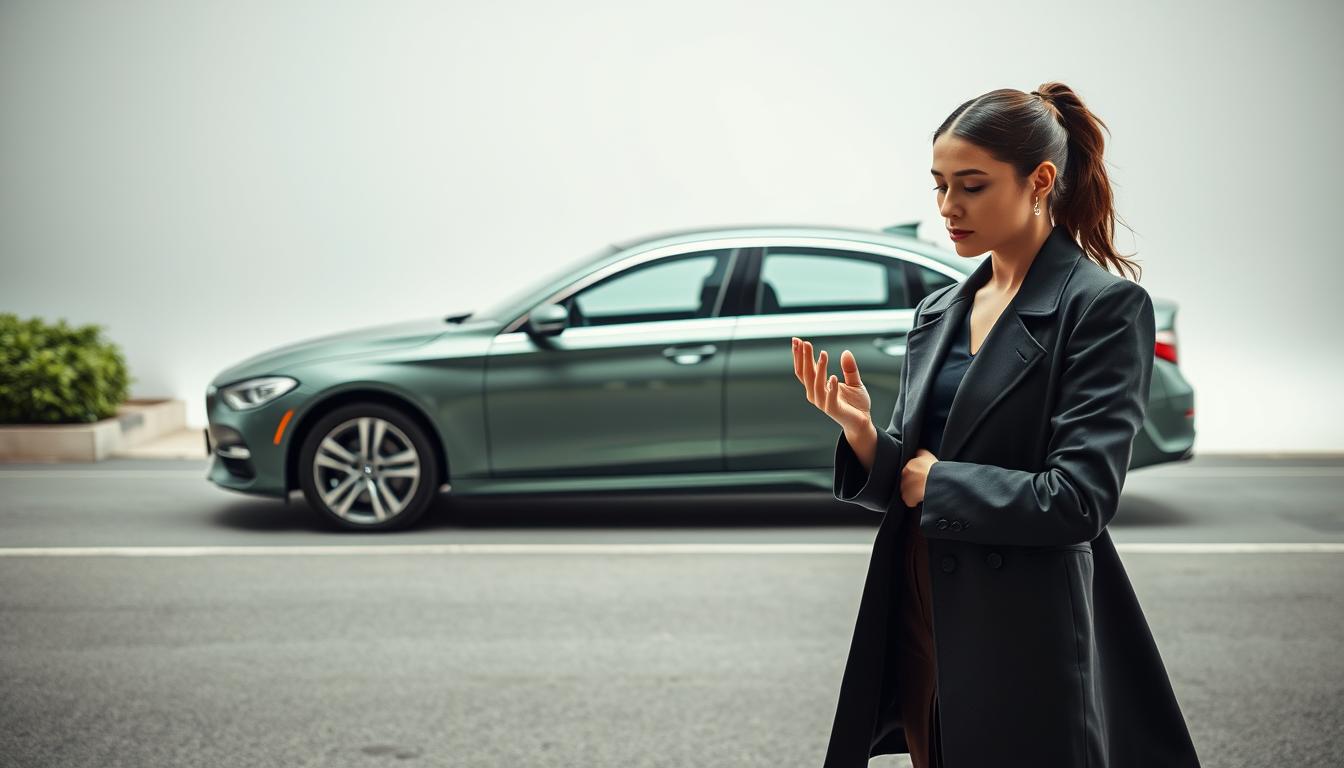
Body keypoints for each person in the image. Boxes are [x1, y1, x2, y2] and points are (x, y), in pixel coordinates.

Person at [791, 83, 1202, 767]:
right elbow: (910, 480)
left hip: (1025, 634)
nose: (948, 207)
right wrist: (863, 436)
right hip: (924, 613)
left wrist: (939, 483)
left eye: (972, 186)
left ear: (1039, 181)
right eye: (940, 185)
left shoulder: (1102, 308)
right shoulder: (939, 311)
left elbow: (1080, 500)